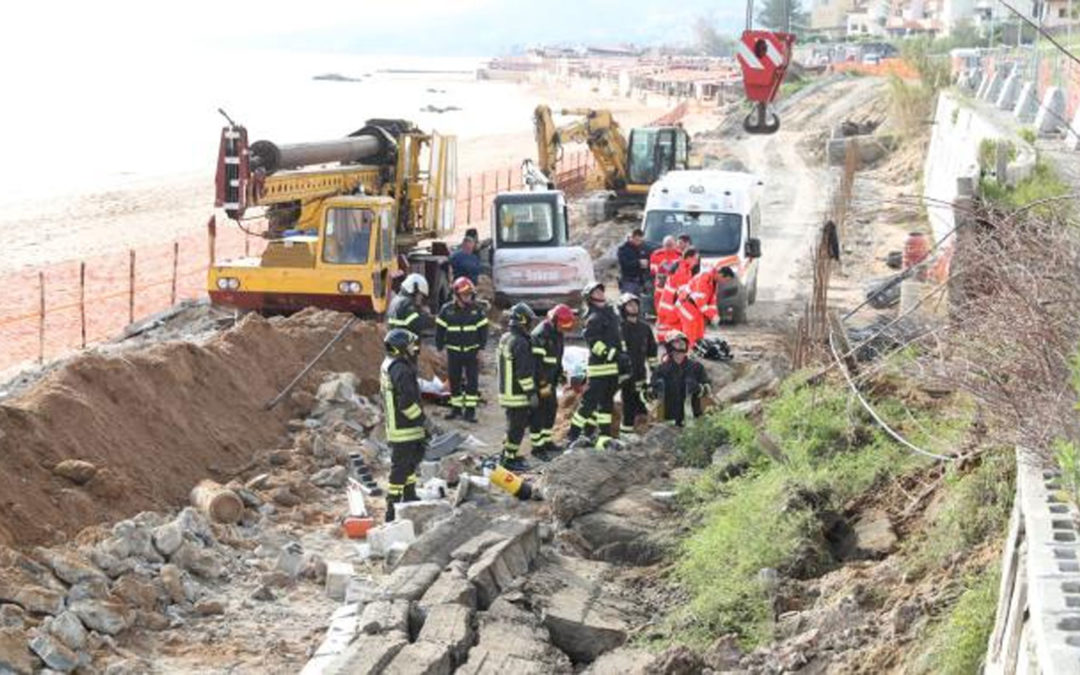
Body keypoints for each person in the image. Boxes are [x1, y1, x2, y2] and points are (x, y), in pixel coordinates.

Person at [379, 329, 429, 521]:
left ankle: (409, 495)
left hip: (398, 427)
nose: (414, 348)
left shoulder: (390, 364)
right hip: (404, 428)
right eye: (410, 345)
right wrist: (423, 423)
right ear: (401, 348)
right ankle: (392, 507)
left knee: (409, 464)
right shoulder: (401, 369)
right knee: (400, 467)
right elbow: (407, 403)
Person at [568, 282, 624, 450]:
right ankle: (573, 436)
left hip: (612, 369)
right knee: (589, 404)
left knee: (606, 404)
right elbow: (595, 344)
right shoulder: (593, 318)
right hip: (599, 369)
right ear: (590, 298)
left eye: (601, 290)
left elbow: (617, 339)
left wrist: (623, 357)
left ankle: (604, 439)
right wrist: (614, 355)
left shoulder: (610, 314)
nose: (600, 293)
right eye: (596, 291)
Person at [435, 277, 488, 422]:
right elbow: (439, 331)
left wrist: (481, 350)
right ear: (457, 295)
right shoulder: (446, 310)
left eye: (470, 294)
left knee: (472, 383)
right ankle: (456, 410)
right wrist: (440, 349)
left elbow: (483, 331)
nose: (468, 297)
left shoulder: (477, 311)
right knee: (455, 381)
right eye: (465, 294)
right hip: (453, 352)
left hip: (471, 352)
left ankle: (470, 413)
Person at [529, 304, 574, 461]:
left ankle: (547, 441)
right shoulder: (540, 335)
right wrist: (542, 384)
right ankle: (537, 447)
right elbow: (536, 364)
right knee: (539, 412)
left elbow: (556, 357)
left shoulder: (557, 333)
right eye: (563, 325)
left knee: (551, 408)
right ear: (554, 321)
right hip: (540, 381)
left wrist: (560, 373)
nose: (565, 329)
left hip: (550, 380)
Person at [497, 303, 538, 471]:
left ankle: (507, 455)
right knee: (517, 429)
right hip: (517, 394)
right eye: (529, 321)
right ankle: (509, 460)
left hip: (505, 391)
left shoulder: (505, 337)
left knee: (511, 426)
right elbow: (524, 374)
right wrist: (531, 393)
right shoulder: (520, 342)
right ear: (523, 321)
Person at [649, 331, 711, 427]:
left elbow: (708, 392)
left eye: (683, 341)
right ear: (669, 346)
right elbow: (648, 397)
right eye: (677, 341)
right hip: (667, 423)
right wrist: (655, 391)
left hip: (692, 422)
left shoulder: (696, 367)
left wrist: (698, 388)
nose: (681, 343)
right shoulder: (661, 370)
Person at [617, 293, 657, 440]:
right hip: (624, 373)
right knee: (628, 400)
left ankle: (642, 425)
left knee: (640, 398)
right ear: (623, 308)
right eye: (629, 304)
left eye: (635, 304)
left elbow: (652, 352)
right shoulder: (619, 328)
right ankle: (625, 431)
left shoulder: (645, 328)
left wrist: (655, 371)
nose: (634, 307)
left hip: (640, 372)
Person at [676, 264, 723, 347]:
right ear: (720, 275)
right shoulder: (704, 278)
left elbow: (712, 301)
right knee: (691, 328)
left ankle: (696, 348)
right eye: (725, 279)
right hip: (685, 304)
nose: (724, 282)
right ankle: (688, 350)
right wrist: (711, 316)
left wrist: (715, 314)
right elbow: (700, 302)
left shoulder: (713, 282)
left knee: (700, 328)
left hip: (694, 306)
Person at [657, 247, 700, 330]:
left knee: (665, 331)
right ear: (689, 258)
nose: (697, 262)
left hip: (668, 306)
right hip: (672, 309)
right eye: (695, 259)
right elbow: (683, 294)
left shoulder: (683, 267)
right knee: (673, 332)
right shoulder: (682, 271)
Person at [387, 273, 433, 339]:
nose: (421, 298)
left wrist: (420, 310)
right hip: (403, 343)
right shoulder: (407, 304)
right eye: (420, 294)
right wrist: (435, 319)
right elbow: (417, 323)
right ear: (414, 290)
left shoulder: (397, 299)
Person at [649, 236, 681, 319]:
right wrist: (662, 267)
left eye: (671, 245)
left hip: (675, 283)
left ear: (675, 245)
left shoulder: (680, 255)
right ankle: (661, 318)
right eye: (667, 245)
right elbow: (653, 269)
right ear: (663, 245)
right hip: (661, 283)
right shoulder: (657, 254)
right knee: (659, 302)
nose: (669, 247)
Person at [616, 228, 650, 295]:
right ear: (631, 238)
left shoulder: (642, 249)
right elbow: (624, 264)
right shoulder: (623, 249)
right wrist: (638, 262)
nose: (639, 242)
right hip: (628, 281)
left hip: (640, 281)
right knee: (628, 301)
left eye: (640, 240)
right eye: (637, 240)